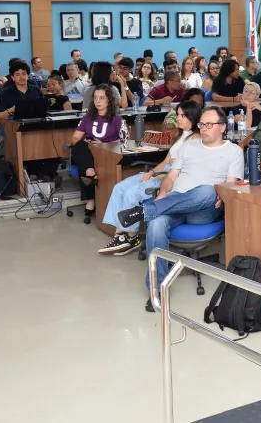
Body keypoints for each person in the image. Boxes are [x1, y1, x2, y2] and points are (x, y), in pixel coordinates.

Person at [116, 106, 244, 311]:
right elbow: (170, 178)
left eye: (209, 125)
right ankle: (156, 291)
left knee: (207, 191)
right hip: (175, 202)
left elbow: (229, 186)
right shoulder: (188, 147)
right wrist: (164, 192)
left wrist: (222, 195)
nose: (204, 128)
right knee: (156, 224)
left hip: (205, 209)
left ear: (222, 127)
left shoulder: (234, 151)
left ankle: (147, 209)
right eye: (202, 124)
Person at [100, 101, 204, 255]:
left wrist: (160, 175)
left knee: (131, 193)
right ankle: (120, 236)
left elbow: (181, 170)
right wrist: (152, 172)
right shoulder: (180, 135)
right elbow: (166, 160)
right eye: (178, 115)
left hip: (172, 176)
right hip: (162, 171)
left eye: (183, 115)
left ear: (193, 117)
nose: (178, 119)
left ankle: (131, 237)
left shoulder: (196, 139)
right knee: (119, 187)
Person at [71, 86, 124, 219]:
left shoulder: (117, 119)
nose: (98, 101)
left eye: (101, 98)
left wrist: (104, 144)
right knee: (78, 146)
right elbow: (74, 138)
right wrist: (88, 143)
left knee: (83, 160)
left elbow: (124, 141)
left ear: (109, 100)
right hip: (90, 153)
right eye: (95, 98)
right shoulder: (87, 118)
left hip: (108, 155)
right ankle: (90, 172)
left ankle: (90, 196)